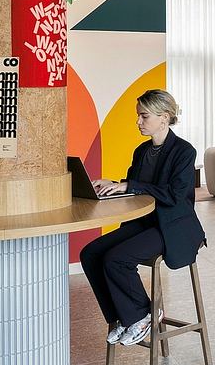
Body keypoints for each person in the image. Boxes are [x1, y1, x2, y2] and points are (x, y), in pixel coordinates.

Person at [79, 89, 206, 347]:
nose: (138, 121)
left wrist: (130, 185)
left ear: (164, 117)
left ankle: (144, 314)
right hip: (145, 222)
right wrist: (114, 185)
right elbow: (137, 187)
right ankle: (123, 317)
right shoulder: (141, 151)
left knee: (116, 259)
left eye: (144, 116)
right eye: (138, 116)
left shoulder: (184, 151)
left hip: (173, 226)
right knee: (90, 253)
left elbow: (175, 195)